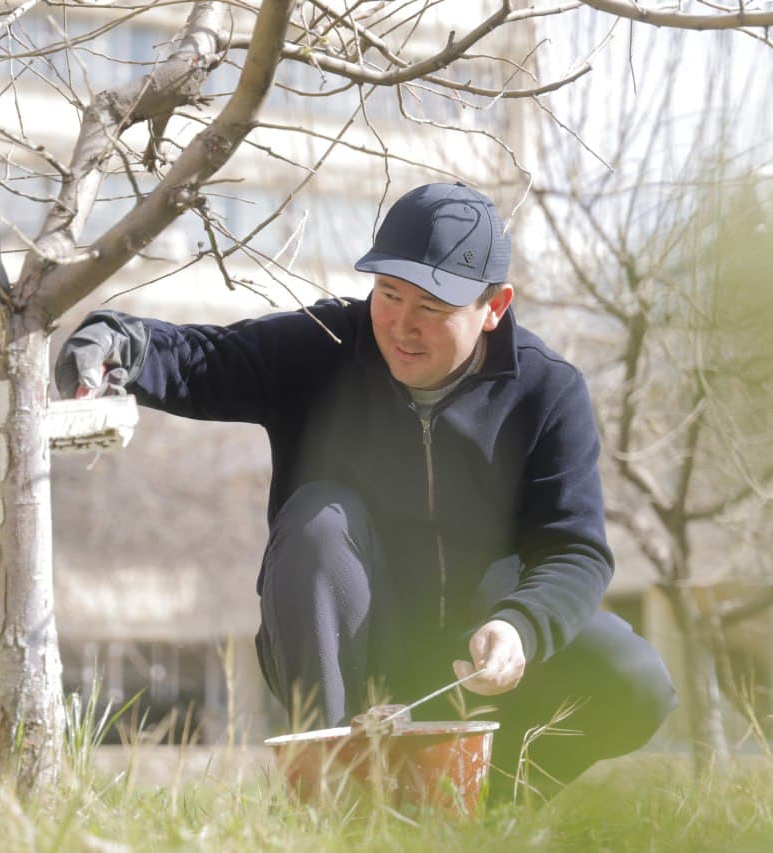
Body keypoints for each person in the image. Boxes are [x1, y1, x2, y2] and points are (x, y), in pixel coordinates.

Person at [55, 182, 676, 799]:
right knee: (322, 517)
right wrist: (114, 343)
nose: (402, 326)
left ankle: (475, 802)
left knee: (634, 681)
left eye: (432, 309)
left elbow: (575, 552)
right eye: (388, 294)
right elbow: (201, 358)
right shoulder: (325, 349)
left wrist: (520, 627)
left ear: (495, 306)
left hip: (476, 663)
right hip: (344, 654)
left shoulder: (546, 393)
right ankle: (333, 801)